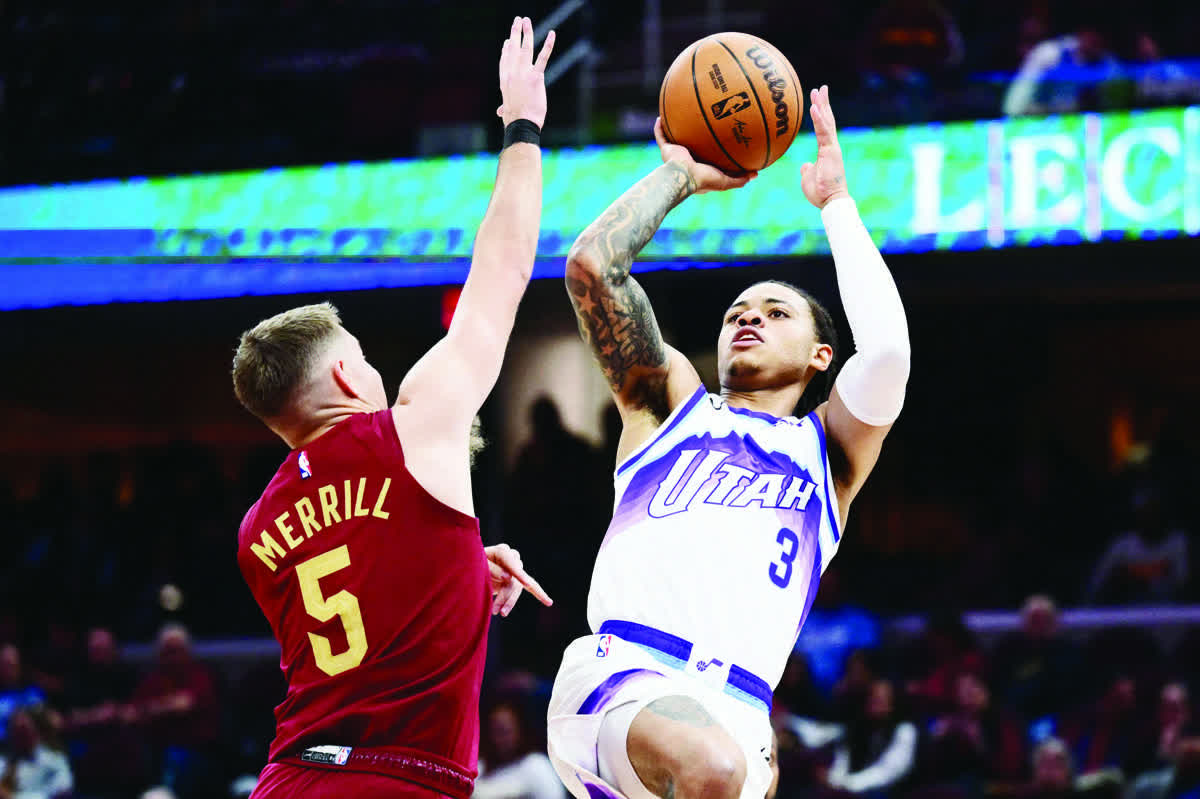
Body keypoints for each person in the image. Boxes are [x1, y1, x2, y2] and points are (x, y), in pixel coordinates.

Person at [547, 85, 911, 799]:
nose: (748, 320)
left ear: (820, 358)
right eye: (737, 313)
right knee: (712, 767)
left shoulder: (828, 453)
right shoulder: (672, 405)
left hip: (743, 710)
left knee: (723, 764)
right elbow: (593, 266)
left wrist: (836, 204)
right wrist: (681, 173)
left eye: (775, 313)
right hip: (625, 674)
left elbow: (891, 353)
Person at [231, 17, 556, 799]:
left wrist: (458, 568)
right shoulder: (415, 425)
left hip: (290, 777)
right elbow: (504, 271)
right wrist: (522, 124)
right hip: (396, 781)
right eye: (367, 360)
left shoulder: (255, 533)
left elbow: (361, 615)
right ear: (347, 375)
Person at [0, 707, 73, 799]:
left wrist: (12, 797)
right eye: (15, 731)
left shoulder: (54, 760)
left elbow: (62, 792)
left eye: (23, 730)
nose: (19, 736)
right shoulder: (3, 763)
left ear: (36, 732)